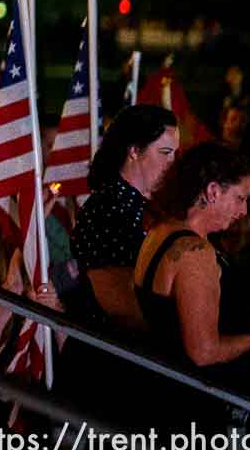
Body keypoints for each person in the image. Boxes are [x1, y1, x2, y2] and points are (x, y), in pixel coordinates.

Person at [131, 143, 250, 431]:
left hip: (167, 392)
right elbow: (203, 351)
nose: (244, 211)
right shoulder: (195, 252)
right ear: (212, 192)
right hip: (198, 408)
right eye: (239, 198)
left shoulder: (161, 231)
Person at [69, 103, 179, 331]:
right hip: (113, 347)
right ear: (135, 150)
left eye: (175, 154)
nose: (172, 162)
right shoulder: (108, 208)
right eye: (165, 153)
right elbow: (118, 302)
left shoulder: (154, 206)